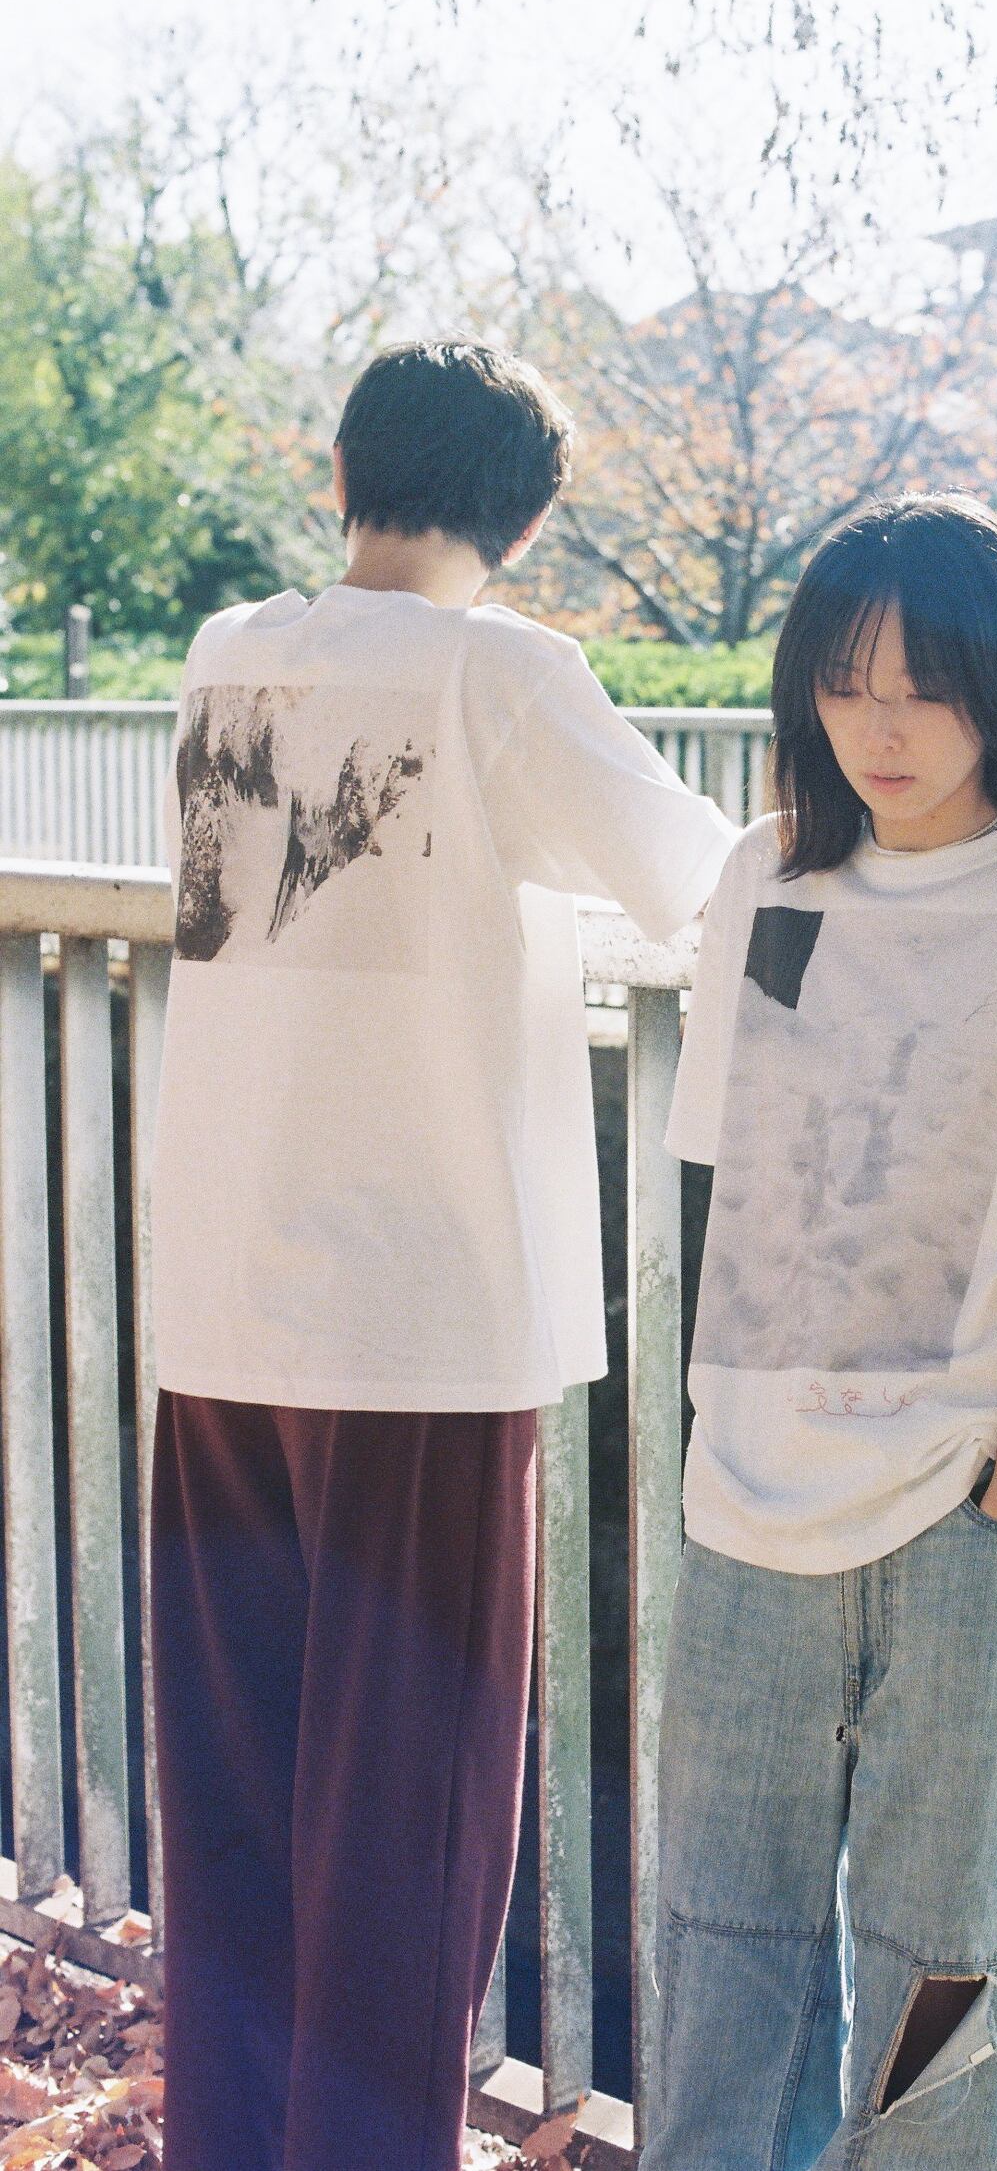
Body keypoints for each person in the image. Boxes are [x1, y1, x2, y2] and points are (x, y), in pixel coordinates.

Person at [149, 339, 736, 2171]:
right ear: (528, 518)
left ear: (341, 475)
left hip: (219, 1295)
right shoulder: (503, 676)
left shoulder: (226, 655)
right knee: (402, 1818)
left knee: (236, 1794)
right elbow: (702, 885)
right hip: (418, 1310)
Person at [643, 493, 997, 2170]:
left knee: (945, 1989)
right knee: (721, 1960)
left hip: (968, 1512)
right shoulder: (767, 879)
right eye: (843, 685)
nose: (880, 729)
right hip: (748, 1510)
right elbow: (752, 1175)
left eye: (922, 687)